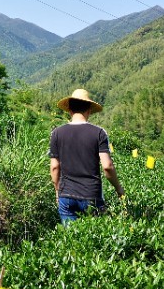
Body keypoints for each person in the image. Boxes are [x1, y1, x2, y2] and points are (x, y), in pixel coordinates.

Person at [49, 89, 124, 224]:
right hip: (91, 195)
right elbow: (107, 166)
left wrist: (57, 191)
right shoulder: (99, 133)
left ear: (69, 110)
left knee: (72, 236)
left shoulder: (57, 133)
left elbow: (54, 167)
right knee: (95, 236)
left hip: (66, 195)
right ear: (89, 110)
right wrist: (119, 189)